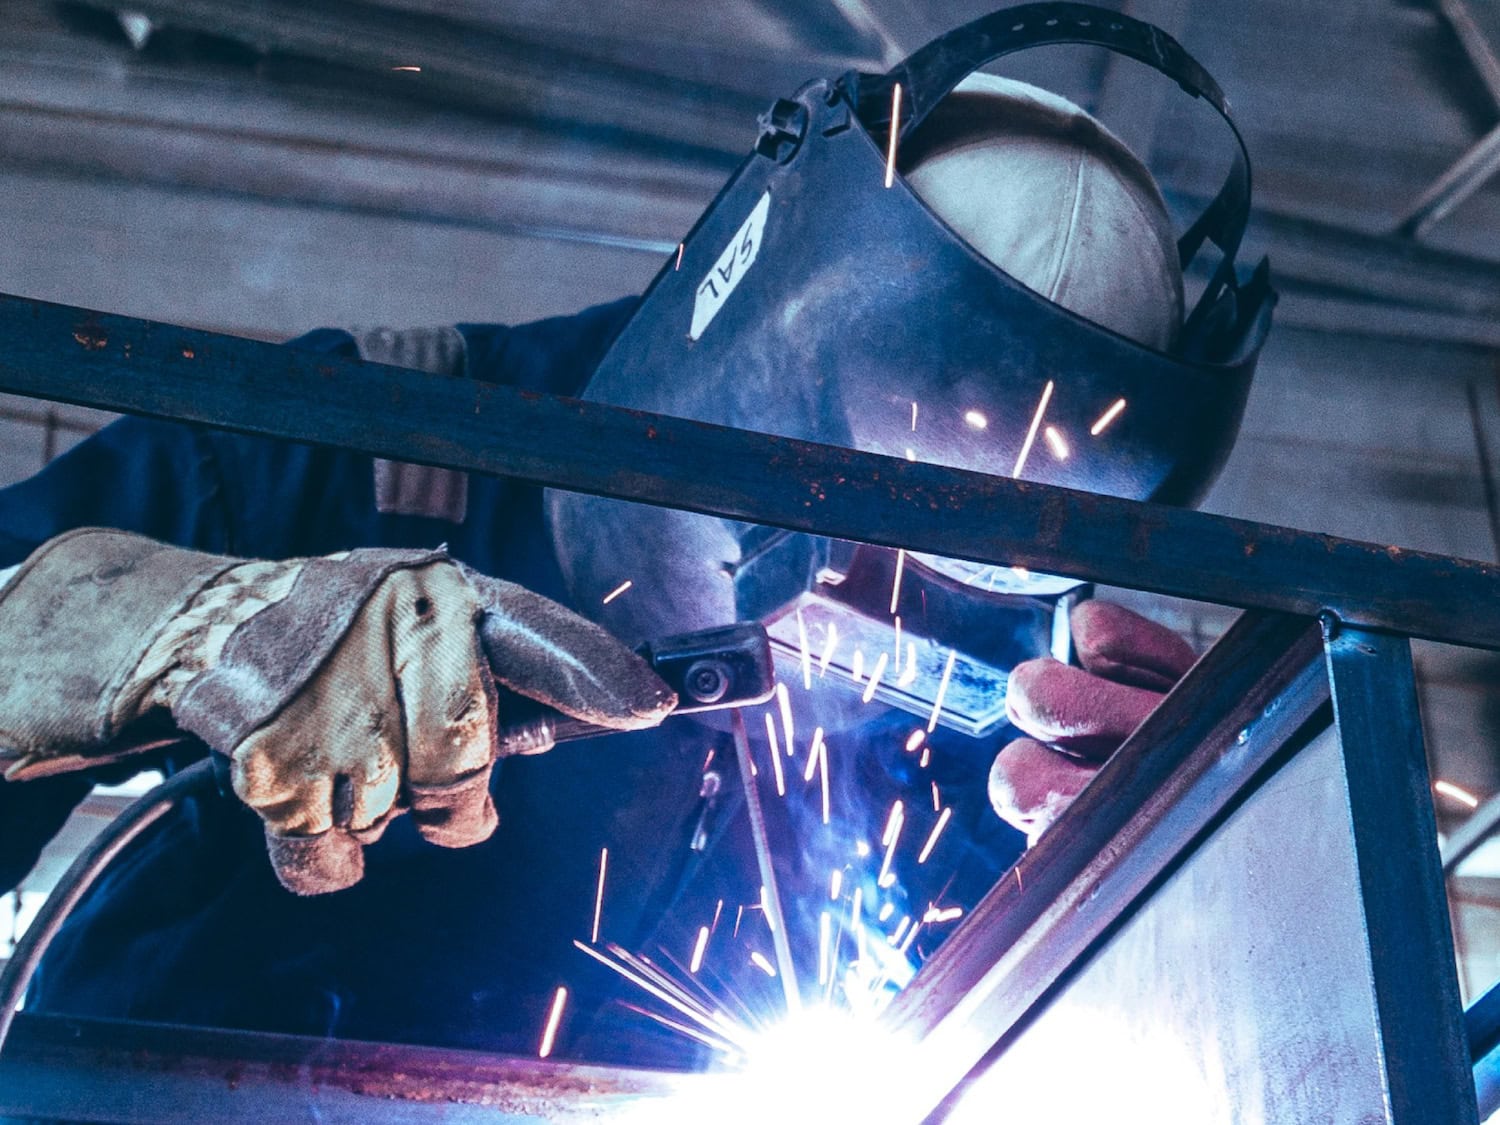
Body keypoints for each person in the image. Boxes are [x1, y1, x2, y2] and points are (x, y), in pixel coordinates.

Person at [0, 7, 1271, 1066]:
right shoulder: (333, 454)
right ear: (748, 350)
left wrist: (1186, 885)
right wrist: (146, 628)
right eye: (872, 529)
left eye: (954, 561)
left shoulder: (989, 693)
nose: (892, 611)